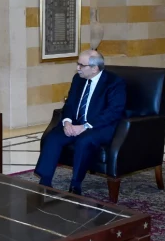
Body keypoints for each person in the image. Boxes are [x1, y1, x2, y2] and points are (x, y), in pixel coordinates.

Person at [35, 50, 126, 194]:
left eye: (81, 65)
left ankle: (75, 184)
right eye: (78, 64)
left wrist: (85, 126)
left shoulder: (114, 82)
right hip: (76, 122)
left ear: (94, 68)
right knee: (54, 137)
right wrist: (67, 122)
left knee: (84, 141)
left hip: (100, 126)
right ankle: (45, 182)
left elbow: (113, 112)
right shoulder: (78, 79)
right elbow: (70, 104)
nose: (77, 68)